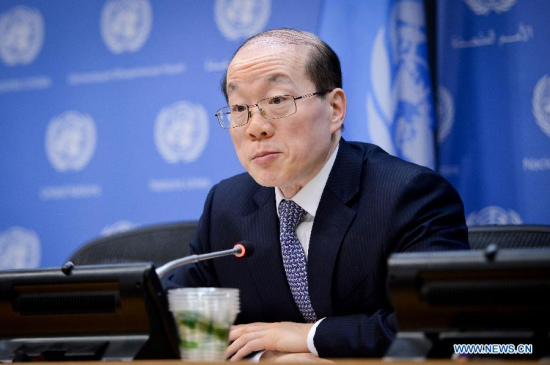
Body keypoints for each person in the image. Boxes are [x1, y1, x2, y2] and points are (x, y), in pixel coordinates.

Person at [164, 28, 469, 360]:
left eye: (277, 100)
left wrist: (310, 337)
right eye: (239, 108)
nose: (255, 127)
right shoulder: (226, 205)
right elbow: (179, 319)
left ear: (335, 109)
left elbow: (440, 328)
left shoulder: (409, 196)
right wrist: (266, 357)